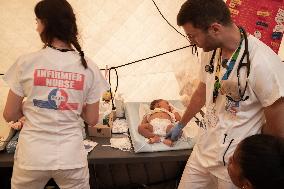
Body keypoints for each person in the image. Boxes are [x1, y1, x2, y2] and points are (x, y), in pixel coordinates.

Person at [165, 0, 284, 188]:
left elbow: (278, 130)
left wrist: (251, 158)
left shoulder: (263, 63)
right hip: (203, 152)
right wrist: (181, 123)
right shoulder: (210, 51)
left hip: (234, 166)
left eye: (192, 36)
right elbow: (202, 90)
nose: (191, 42)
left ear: (215, 29)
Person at [3, 0, 109, 188]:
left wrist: (33, 108)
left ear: (45, 24)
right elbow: (92, 119)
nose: (36, 28)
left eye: (37, 22)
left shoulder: (26, 62)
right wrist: (73, 105)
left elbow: (9, 114)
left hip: (32, 156)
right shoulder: (90, 67)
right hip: (71, 157)